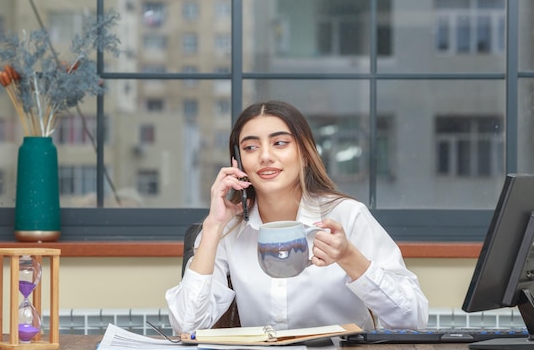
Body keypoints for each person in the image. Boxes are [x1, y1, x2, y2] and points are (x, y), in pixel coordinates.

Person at [166, 100, 428, 334]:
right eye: (250, 147)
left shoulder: (347, 215)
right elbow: (188, 326)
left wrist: (349, 257)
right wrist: (212, 227)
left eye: (280, 143)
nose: (265, 156)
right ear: (238, 163)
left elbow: (413, 320)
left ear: (304, 154)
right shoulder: (228, 229)